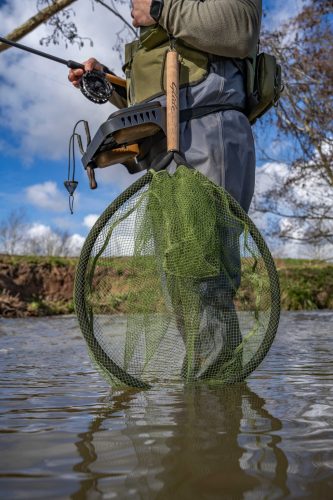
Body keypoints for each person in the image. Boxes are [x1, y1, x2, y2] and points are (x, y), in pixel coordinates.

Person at [69, 0, 262, 379]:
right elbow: (159, 97)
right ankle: (207, 414)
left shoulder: (168, 7)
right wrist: (108, 84)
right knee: (180, 284)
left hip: (207, 131)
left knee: (203, 278)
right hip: (164, 145)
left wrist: (159, 8)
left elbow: (241, 29)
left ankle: (215, 411)